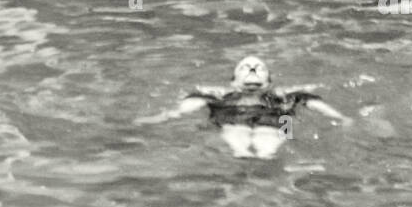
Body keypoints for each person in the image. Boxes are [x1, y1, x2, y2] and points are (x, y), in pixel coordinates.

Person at [138, 56, 351, 160]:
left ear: (269, 81)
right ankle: (241, 153)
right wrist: (160, 118)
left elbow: (319, 105)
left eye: (259, 68)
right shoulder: (215, 96)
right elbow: (182, 110)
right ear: (233, 81)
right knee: (235, 131)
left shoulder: (286, 97)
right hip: (232, 118)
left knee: (272, 135)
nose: (252, 69)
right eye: (245, 67)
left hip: (277, 120)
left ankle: (266, 157)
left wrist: (343, 119)